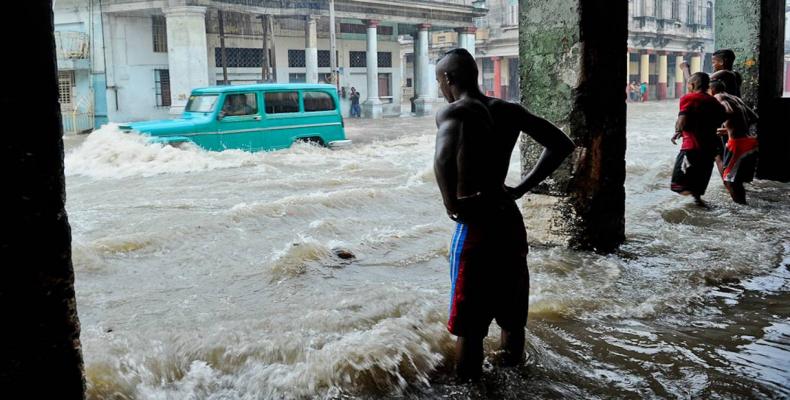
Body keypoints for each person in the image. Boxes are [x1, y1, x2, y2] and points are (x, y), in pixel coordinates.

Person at [433, 48, 574, 381]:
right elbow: (560, 144)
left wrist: (451, 204)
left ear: (450, 79)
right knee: (512, 315)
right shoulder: (509, 110)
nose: (440, 88)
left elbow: (441, 160)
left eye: (440, 80)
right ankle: (514, 378)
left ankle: (468, 386)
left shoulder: (455, 111)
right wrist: (521, 188)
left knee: (469, 325)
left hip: (476, 222)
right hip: (507, 217)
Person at [670, 72, 726, 206]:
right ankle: (697, 205)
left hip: (691, 148)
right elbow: (722, 118)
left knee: (677, 185)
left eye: (688, 84)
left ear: (693, 84)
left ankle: (686, 207)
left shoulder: (688, 98)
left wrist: (678, 130)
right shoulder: (714, 101)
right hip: (709, 150)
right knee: (698, 187)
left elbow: (682, 120)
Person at [709, 80, 759, 204]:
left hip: (738, 144)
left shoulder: (717, 97)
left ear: (712, 90)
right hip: (750, 141)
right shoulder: (736, 98)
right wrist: (728, 128)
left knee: (729, 181)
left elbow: (729, 111)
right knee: (735, 181)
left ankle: (742, 211)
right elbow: (754, 117)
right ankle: (743, 207)